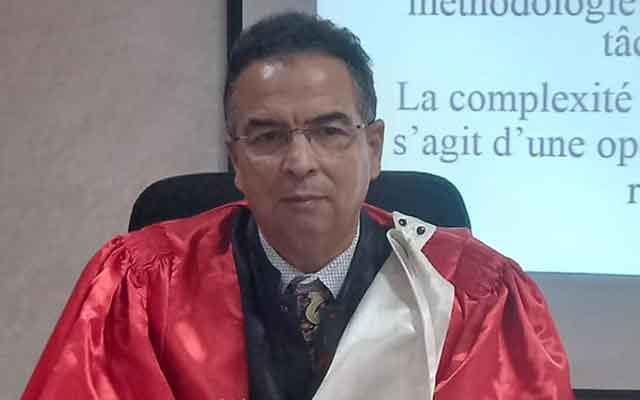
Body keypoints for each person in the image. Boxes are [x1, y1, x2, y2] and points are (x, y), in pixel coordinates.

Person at [22, 12, 574, 400]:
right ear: (235, 161)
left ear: (373, 148)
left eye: (329, 131)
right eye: (267, 136)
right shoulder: (140, 289)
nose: (300, 162)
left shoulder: (473, 297)